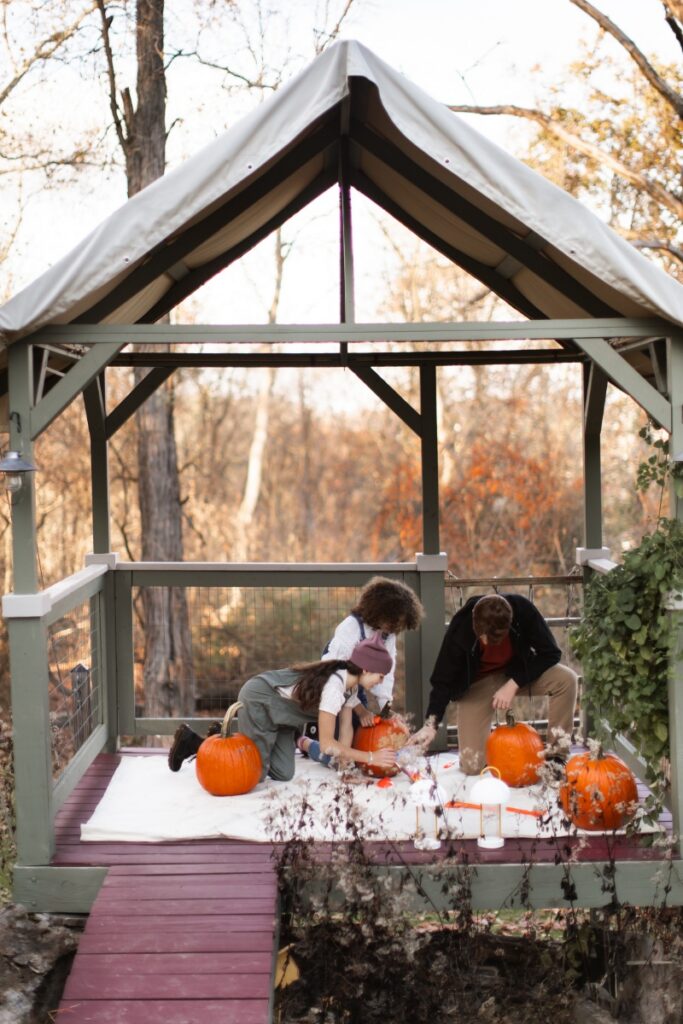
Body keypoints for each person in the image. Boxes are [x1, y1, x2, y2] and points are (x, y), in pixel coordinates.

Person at [168, 635, 398, 781]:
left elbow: (346, 729)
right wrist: (370, 756)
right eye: (381, 675)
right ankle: (195, 743)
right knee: (253, 775)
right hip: (260, 700)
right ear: (366, 669)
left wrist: (346, 771)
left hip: (284, 719)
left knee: (283, 773)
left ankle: (227, 739)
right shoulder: (334, 687)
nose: (381, 680)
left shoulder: (351, 687)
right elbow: (328, 745)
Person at [410, 593, 578, 775]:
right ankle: (489, 743)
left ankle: (556, 756)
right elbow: (442, 680)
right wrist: (431, 724)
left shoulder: (523, 610)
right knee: (472, 767)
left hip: (516, 673)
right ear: (474, 623)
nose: (487, 642)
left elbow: (551, 653)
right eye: (483, 637)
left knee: (567, 679)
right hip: (478, 683)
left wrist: (514, 683)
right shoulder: (461, 626)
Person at [320, 575, 424, 727]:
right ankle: (307, 743)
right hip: (334, 678)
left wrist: (385, 706)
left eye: (400, 625)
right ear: (380, 612)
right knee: (337, 731)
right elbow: (334, 675)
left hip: (360, 680)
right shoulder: (351, 628)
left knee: (356, 729)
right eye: (394, 622)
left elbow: (386, 672)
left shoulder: (389, 634)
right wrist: (360, 709)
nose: (396, 628)